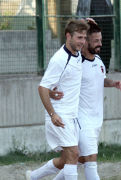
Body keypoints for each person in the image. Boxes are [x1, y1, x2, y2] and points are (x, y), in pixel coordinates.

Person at [49, 21, 121, 180]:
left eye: (101, 40)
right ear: (85, 42)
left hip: (97, 119)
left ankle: (34, 176)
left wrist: (112, 83)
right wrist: (51, 92)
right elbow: (55, 82)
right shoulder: (76, 63)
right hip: (81, 119)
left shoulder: (98, 61)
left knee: (75, 159)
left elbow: (100, 79)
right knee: (90, 160)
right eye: (96, 41)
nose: (100, 44)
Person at [25, 19, 89, 180]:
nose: (82, 41)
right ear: (68, 36)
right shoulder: (60, 59)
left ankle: (33, 176)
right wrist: (53, 114)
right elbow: (42, 87)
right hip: (60, 116)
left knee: (70, 158)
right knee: (74, 154)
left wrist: (53, 93)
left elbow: (52, 86)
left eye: (84, 37)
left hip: (72, 115)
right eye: (79, 38)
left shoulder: (77, 53)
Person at [76, 0, 114, 72]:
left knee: (105, 48)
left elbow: (111, 9)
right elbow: (80, 12)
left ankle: (105, 69)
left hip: (107, 26)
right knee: (92, 48)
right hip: (92, 26)